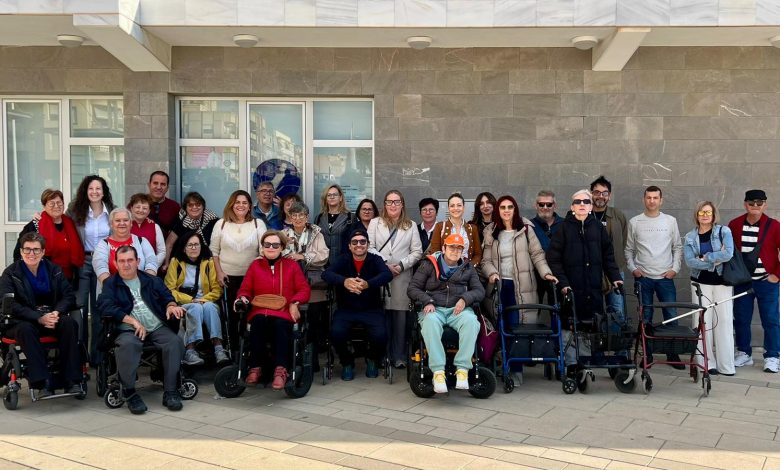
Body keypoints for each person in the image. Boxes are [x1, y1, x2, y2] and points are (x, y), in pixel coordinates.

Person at [97, 246, 186, 414]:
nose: (126, 264)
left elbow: (167, 296)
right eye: (122, 261)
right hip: (127, 330)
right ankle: (130, 393)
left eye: (130, 260)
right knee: (128, 345)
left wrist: (171, 305)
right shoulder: (110, 284)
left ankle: (171, 391)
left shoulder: (151, 280)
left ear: (137, 261)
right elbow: (105, 306)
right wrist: (132, 321)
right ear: (115, 263)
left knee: (174, 342)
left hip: (156, 327)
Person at [546, 190, 622, 366]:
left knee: (592, 323)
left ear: (590, 206)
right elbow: (553, 259)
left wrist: (615, 277)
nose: (582, 204)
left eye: (586, 202)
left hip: (593, 288)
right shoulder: (563, 228)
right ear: (572, 207)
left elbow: (608, 256)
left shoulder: (598, 228)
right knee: (570, 324)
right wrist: (563, 283)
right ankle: (572, 363)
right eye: (578, 202)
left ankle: (588, 361)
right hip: (570, 289)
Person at [0, 233, 81, 397]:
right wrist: (38, 317)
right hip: (21, 321)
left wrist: (56, 313)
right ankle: (41, 382)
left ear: (43, 252)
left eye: (36, 250)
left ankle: (71, 380)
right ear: (21, 251)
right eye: (27, 249)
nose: (32, 253)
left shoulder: (54, 270)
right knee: (26, 330)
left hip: (50, 317)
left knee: (69, 323)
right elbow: (9, 304)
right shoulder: (10, 273)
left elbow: (69, 296)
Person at [408, 233, 485, 394]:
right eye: (451, 247)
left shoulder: (468, 267)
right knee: (430, 322)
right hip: (434, 308)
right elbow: (413, 288)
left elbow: (479, 291)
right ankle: (438, 373)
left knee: (472, 321)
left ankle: (462, 369)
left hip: (457, 310)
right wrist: (427, 300)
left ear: (462, 251)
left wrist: (465, 299)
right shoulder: (428, 264)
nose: (455, 251)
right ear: (443, 248)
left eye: (459, 248)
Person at [235, 231, 311, 389]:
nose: (271, 247)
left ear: (282, 247)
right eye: (267, 244)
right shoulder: (255, 266)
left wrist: (295, 302)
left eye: (275, 245)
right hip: (260, 310)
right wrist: (243, 298)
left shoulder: (291, 265)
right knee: (259, 322)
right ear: (262, 247)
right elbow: (245, 289)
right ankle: (255, 367)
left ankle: (280, 370)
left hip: (284, 311)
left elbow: (304, 289)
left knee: (280, 324)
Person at [625, 185, 684, 368]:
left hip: (665, 277)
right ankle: (647, 355)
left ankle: (672, 354)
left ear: (661, 200)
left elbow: (677, 247)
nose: (652, 201)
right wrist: (633, 269)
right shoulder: (635, 222)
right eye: (649, 197)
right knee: (646, 317)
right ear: (644, 199)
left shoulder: (670, 221)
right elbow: (629, 249)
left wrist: (675, 269)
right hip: (643, 278)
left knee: (671, 315)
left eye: (655, 197)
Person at [323, 228, 393, 380]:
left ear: (368, 244)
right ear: (349, 246)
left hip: (371, 309)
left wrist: (368, 284)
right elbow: (326, 274)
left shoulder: (375, 259)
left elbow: (387, 274)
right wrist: (344, 281)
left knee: (381, 335)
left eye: (362, 241)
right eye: (354, 242)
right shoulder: (343, 259)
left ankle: (372, 359)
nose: (359, 245)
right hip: (346, 309)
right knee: (336, 333)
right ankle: (347, 362)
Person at [481, 195, 557, 327]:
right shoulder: (491, 231)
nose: (506, 210)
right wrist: (492, 273)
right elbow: (486, 261)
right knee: (501, 324)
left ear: (515, 209)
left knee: (519, 323)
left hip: (523, 285)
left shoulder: (525, 228)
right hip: (499, 285)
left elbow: (537, 254)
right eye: (503, 207)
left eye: (510, 207)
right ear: (498, 210)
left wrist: (546, 273)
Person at [368, 190, 423, 368]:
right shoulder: (375, 223)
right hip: (380, 276)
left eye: (396, 202)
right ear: (384, 204)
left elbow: (417, 252)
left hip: (402, 277)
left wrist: (401, 265)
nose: (393, 205)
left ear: (402, 204)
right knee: (381, 317)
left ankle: (399, 357)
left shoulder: (411, 225)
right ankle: (383, 356)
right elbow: (369, 247)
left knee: (401, 319)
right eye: (389, 201)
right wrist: (384, 264)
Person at [728, 189, 780, 373]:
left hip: (767, 281)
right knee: (741, 319)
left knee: (771, 320)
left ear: (765, 204)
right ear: (745, 204)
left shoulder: (774, 226)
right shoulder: (734, 225)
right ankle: (744, 353)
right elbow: (729, 252)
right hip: (743, 281)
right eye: (751, 203)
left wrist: (777, 275)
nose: (755, 206)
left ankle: (772, 356)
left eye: (759, 203)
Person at [210, 190, 267, 352]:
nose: (241, 205)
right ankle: (233, 350)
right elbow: (214, 252)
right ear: (231, 205)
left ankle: (248, 350)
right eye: (237, 202)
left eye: (244, 203)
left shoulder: (258, 224)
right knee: (231, 315)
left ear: (249, 206)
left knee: (250, 315)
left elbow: (264, 251)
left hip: (251, 279)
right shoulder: (221, 224)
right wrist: (219, 272)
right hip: (227, 278)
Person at [683, 201, 735, 376]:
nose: (705, 216)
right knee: (702, 322)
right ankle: (706, 363)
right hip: (700, 283)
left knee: (725, 322)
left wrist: (705, 258)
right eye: (701, 212)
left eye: (708, 212)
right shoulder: (690, 237)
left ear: (713, 215)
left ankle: (726, 366)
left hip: (722, 283)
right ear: (696, 215)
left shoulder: (724, 231)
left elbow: (728, 253)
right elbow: (690, 262)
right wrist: (714, 261)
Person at [68, 175, 115, 364]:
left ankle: (97, 357)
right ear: (85, 191)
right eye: (91, 188)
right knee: (79, 309)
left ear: (104, 191)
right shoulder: (74, 210)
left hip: (103, 262)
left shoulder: (111, 210)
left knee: (99, 309)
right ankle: (80, 357)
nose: (94, 192)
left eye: (98, 188)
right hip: (83, 261)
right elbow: (59, 222)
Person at [165, 231, 229, 366]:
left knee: (210, 307)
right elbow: (169, 289)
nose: (194, 248)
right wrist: (190, 300)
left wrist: (202, 300)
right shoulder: (176, 262)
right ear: (184, 248)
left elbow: (217, 290)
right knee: (195, 307)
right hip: (184, 302)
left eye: (196, 244)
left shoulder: (208, 262)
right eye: (190, 245)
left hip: (206, 301)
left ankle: (218, 348)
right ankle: (190, 351)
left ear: (201, 246)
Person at [281, 201, 329, 370]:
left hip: (313, 285)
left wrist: (303, 257)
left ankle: (312, 361)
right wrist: (290, 253)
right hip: (290, 284)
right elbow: (277, 253)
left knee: (313, 324)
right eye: (294, 215)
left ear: (307, 217)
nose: (298, 218)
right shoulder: (284, 234)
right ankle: (294, 360)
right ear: (290, 217)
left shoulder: (316, 233)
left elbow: (324, 255)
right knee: (292, 323)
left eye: (301, 215)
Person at [14, 189, 85, 285]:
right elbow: (19, 253)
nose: (56, 206)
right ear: (44, 206)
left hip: (67, 279)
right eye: (51, 203)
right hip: (42, 279)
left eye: (59, 203)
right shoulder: (35, 225)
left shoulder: (70, 223)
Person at [590, 176, 629, 325]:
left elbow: (623, 240)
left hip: (615, 271)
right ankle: (596, 341)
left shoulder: (617, 215)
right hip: (591, 272)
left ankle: (617, 341)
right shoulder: (585, 214)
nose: (600, 196)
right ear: (591, 193)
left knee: (617, 311)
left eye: (604, 193)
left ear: (609, 195)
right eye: (597, 192)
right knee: (593, 311)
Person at [93, 208, 158, 287]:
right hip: (112, 289)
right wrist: (111, 288)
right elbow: (100, 267)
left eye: (125, 220)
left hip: (141, 288)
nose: (122, 223)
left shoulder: (142, 241)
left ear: (131, 223)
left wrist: (146, 283)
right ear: (111, 224)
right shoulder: (103, 244)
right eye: (117, 220)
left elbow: (152, 262)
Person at [163, 191, 219, 271]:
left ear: (203, 206)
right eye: (190, 205)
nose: (194, 207)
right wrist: (166, 263)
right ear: (185, 207)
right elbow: (169, 244)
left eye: (198, 204)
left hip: (207, 264)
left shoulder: (212, 220)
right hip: (183, 265)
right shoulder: (181, 221)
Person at [427, 193, 482, 267]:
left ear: (463, 207)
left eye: (459, 205)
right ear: (448, 208)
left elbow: (478, 254)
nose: (456, 208)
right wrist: (445, 268)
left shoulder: (472, 228)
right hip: (445, 270)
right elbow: (435, 253)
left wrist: (469, 267)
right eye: (452, 206)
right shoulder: (440, 227)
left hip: (466, 270)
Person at [530, 190, 564, 304]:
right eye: (541, 204)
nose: (545, 207)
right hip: (535, 275)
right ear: (536, 205)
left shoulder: (565, 224)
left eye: (549, 204)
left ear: (555, 205)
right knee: (534, 308)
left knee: (558, 309)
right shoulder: (529, 226)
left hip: (559, 274)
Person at [315, 184, 354, 266]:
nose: (332, 197)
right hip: (322, 263)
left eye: (335, 195)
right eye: (329, 195)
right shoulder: (319, 217)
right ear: (325, 199)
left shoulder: (350, 217)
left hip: (343, 262)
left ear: (340, 198)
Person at [127, 193, 166, 269]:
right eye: (137, 207)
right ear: (131, 208)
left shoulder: (155, 227)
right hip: (128, 269)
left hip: (150, 271)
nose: (141, 210)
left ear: (149, 211)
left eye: (144, 208)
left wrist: (151, 267)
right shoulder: (125, 226)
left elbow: (162, 252)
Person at [147, 171, 181, 238]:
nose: (159, 187)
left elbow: (179, 231)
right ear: (149, 185)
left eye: (163, 184)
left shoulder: (175, 207)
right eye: (155, 183)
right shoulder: (137, 204)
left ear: (167, 188)